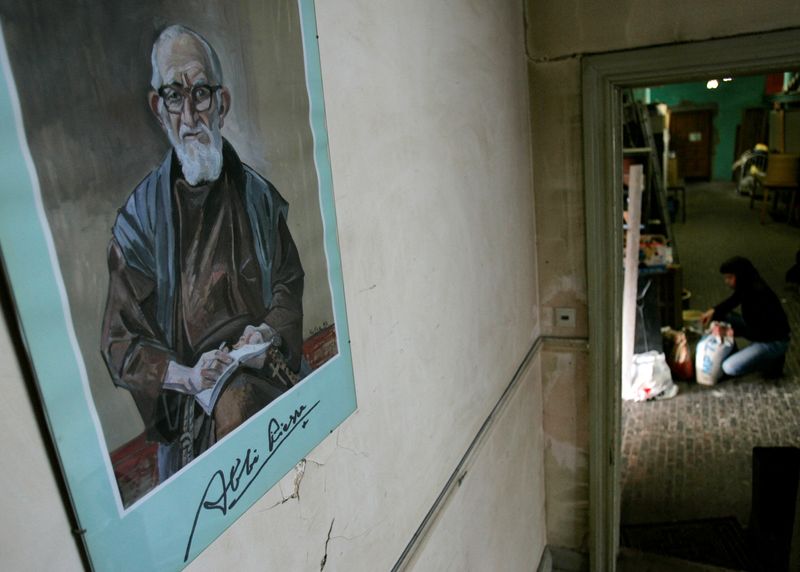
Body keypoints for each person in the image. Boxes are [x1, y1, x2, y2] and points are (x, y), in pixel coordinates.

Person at [101, 25, 305, 482]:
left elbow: (290, 283)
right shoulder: (138, 222)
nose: (190, 113)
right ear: (158, 108)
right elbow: (120, 345)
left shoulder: (258, 196)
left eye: (201, 93)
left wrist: (268, 333)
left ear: (223, 104)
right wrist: (186, 376)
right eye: (174, 95)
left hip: (266, 367)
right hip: (197, 405)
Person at [701, 256, 789, 378]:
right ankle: (739, 353)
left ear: (740, 276)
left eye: (730, 277)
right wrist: (712, 311)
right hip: (757, 329)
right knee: (720, 314)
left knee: (729, 367)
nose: (726, 281)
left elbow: (760, 332)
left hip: (772, 340)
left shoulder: (758, 295)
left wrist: (730, 332)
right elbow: (733, 300)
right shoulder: (748, 285)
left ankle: (769, 361)